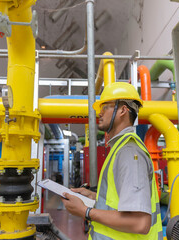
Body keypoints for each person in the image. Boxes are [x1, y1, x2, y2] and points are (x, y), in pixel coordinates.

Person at [61, 82, 163, 240]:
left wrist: (85, 211)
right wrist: (93, 197)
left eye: (105, 107)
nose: (100, 113)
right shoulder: (119, 148)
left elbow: (140, 223)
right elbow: (119, 201)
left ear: (123, 110)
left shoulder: (129, 152)